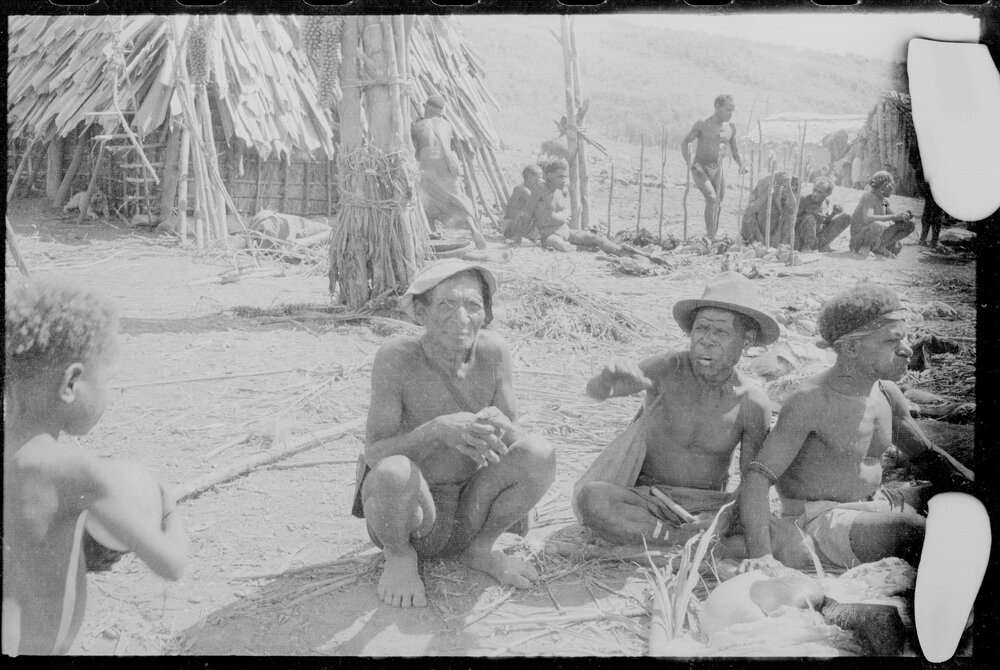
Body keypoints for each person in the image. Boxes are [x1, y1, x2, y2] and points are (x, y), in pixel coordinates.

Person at [354, 260, 555, 608]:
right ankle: (400, 558)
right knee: (393, 472)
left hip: (471, 512)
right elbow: (375, 454)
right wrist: (436, 430)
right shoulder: (396, 358)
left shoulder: (494, 353)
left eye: (473, 305)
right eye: (446, 304)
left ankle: (482, 550)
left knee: (540, 452)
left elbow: (514, 440)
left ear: (486, 314)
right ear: (420, 310)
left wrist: (503, 427)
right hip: (412, 515)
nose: (461, 317)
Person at [3, 280, 188, 655]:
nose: (109, 395)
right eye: (107, 381)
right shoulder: (76, 473)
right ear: (71, 382)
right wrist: (169, 507)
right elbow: (171, 564)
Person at [739, 284, 974, 573]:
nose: (907, 349)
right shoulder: (812, 400)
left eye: (906, 338)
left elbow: (929, 457)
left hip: (875, 505)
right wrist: (761, 553)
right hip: (822, 519)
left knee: (963, 498)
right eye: (892, 341)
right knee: (912, 530)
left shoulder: (887, 393)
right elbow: (758, 477)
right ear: (851, 347)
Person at [574, 272, 778, 554]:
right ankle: (682, 543)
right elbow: (597, 392)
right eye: (700, 329)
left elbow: (751, 482)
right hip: (646, 500)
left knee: (779, 538)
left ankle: (665, 540)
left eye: (720, 332)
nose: (706, 341)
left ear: (747, 339)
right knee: (593, 499)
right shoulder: (668, 369)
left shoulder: (752, 404)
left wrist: (723, 518)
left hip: (708, 505)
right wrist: (606, 381)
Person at [411, 94, 487, 249]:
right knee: (457, 198)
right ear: (441, 111)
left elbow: (416, 150)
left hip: (428, 162)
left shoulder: (417, 126)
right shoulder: (447, 125)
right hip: (448, 162)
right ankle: (474, 231)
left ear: (426, 107)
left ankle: (431, 231)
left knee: (425, 198)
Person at [681, 94, 746, 240]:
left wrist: (741, 164)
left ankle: (712, 237)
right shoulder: (702, 124)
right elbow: (686, 143)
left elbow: (735, 151)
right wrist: (689, 162)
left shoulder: (730, 128)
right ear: (717, 107)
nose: (731, 113)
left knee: (718, 203)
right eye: (728, 109)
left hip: (717, 168)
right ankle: (710, 236)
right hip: (700, 166)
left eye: (733, 110)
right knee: (711, 198)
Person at [532, 158, 623, 255]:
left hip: (566, 231)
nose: (564, 180)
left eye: (565, 177)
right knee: (557, 244)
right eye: (560, 177)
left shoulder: (563, 191)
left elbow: (560, 215)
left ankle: (623, 252)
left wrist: (559, 217)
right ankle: (587, 249)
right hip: (551, 234)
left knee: (599, 239)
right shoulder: (540, 190)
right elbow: (532, 214)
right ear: (549, 176)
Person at [848, 171, 915, 258]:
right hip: (859, 239)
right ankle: (865, 247)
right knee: (877, 225)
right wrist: (895, 216)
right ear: (883, 186)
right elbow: (868, 217)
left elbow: (893, 216)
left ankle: (880, 247)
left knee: (910, 225)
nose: (892, 189)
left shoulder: (883, 201)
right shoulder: (869, 197)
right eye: (891, 185)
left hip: (875, 235)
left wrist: (905, 216)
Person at [795, 177, 851, 252]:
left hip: (817, 238)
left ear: (827, 194)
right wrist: (810, 216)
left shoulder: (826, 202)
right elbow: (794, 222)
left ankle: (823, 246)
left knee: (846, 217)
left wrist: (834, 213)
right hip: (800, 240)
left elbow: (824, 223)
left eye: (819, 192)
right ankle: (806, 248)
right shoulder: (804, 200)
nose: (815, 194)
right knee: (810, 218)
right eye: (814, 190)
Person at [502, 164, 543, 244]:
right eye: (539, 178)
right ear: (530, 178)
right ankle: (515, 238)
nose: (541, 181)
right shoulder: (521, 189)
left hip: (523, 226)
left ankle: (533, 236)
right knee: (527, 213)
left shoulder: (533, 188)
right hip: (510, 228)